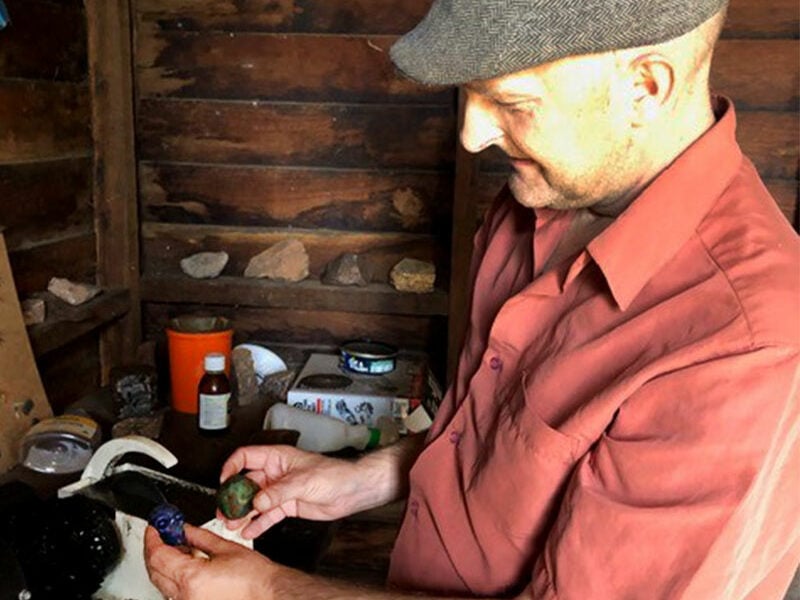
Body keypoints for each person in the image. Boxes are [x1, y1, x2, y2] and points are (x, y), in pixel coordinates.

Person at [144, 0, 800, 598]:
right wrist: (361, 479)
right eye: (469, 97)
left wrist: (265, 592)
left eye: (510, 102)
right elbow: (492, 446)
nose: (472, 134)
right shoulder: (531, 207)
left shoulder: (746, 342)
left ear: (645, 87)